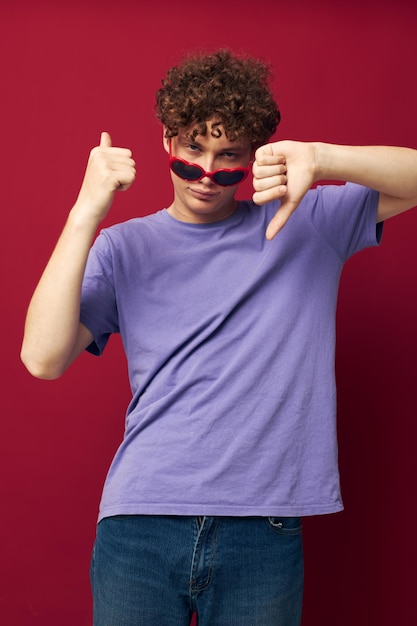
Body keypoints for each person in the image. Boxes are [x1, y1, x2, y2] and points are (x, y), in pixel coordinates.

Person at [21, 48, 417, 626]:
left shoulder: (306, 220)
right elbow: (41, 358)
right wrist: (87, 210)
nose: (208, 174)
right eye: (193, 151)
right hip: (141, 524)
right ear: (167, 141)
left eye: (228, 156)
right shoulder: (124, 247)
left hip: (263, 528)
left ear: (254, 157)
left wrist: (321, 157)